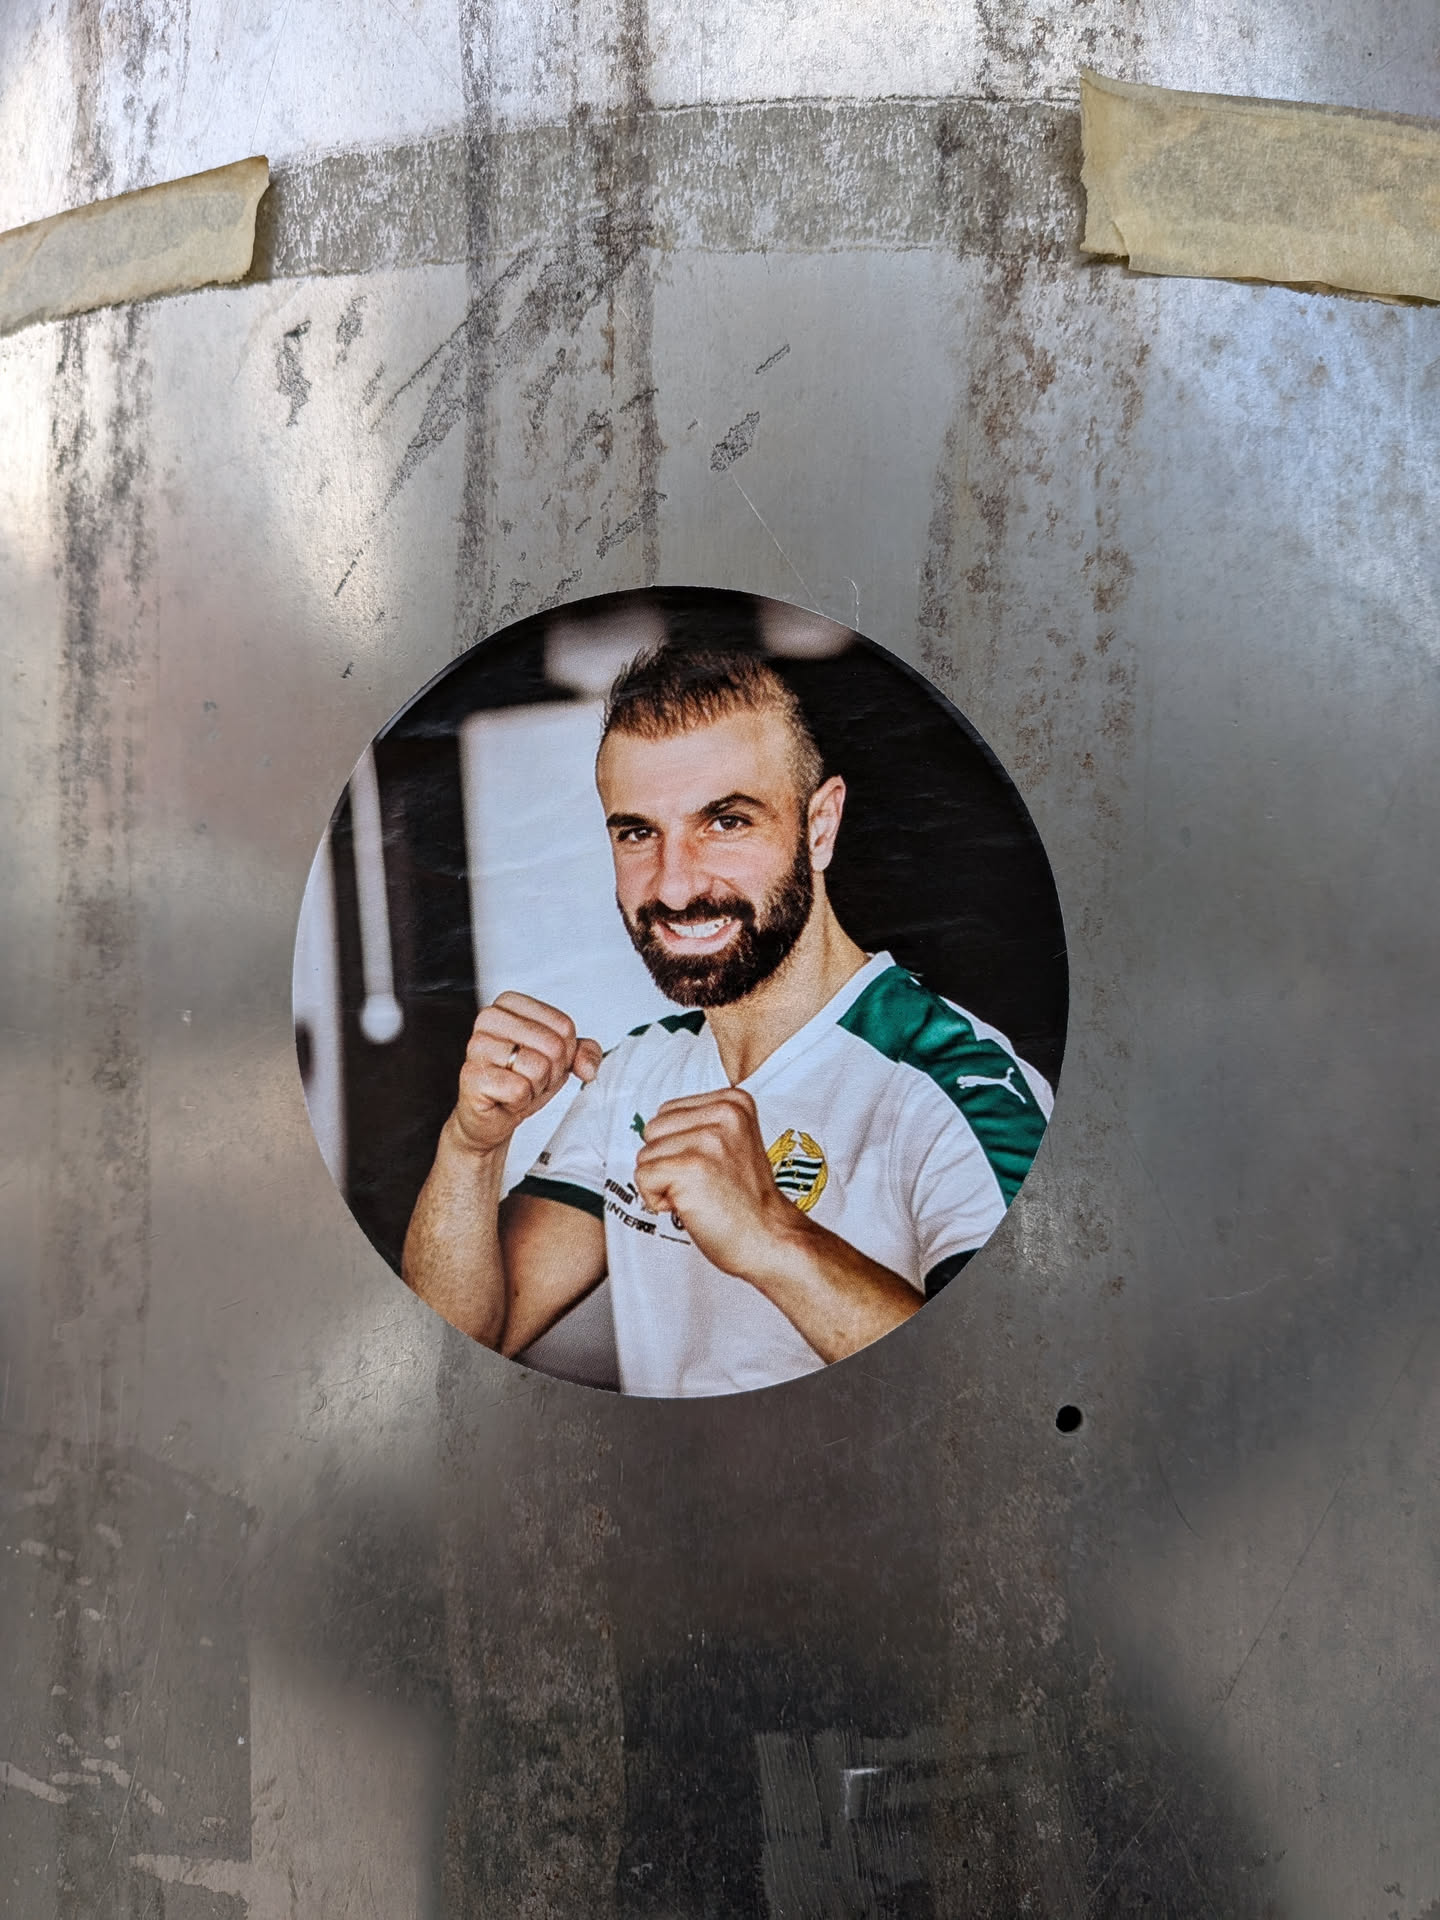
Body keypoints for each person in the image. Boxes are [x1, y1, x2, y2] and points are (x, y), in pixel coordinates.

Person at [402, 644, 1053, 1397]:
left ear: (819, 826)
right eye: (638, 833)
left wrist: (774, 1235)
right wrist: (472, 1145)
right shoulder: (634, 1077)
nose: (675, 887)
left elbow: (1019, 1403)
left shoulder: (963, 1090)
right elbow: (463, 1340)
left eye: (726, 821)